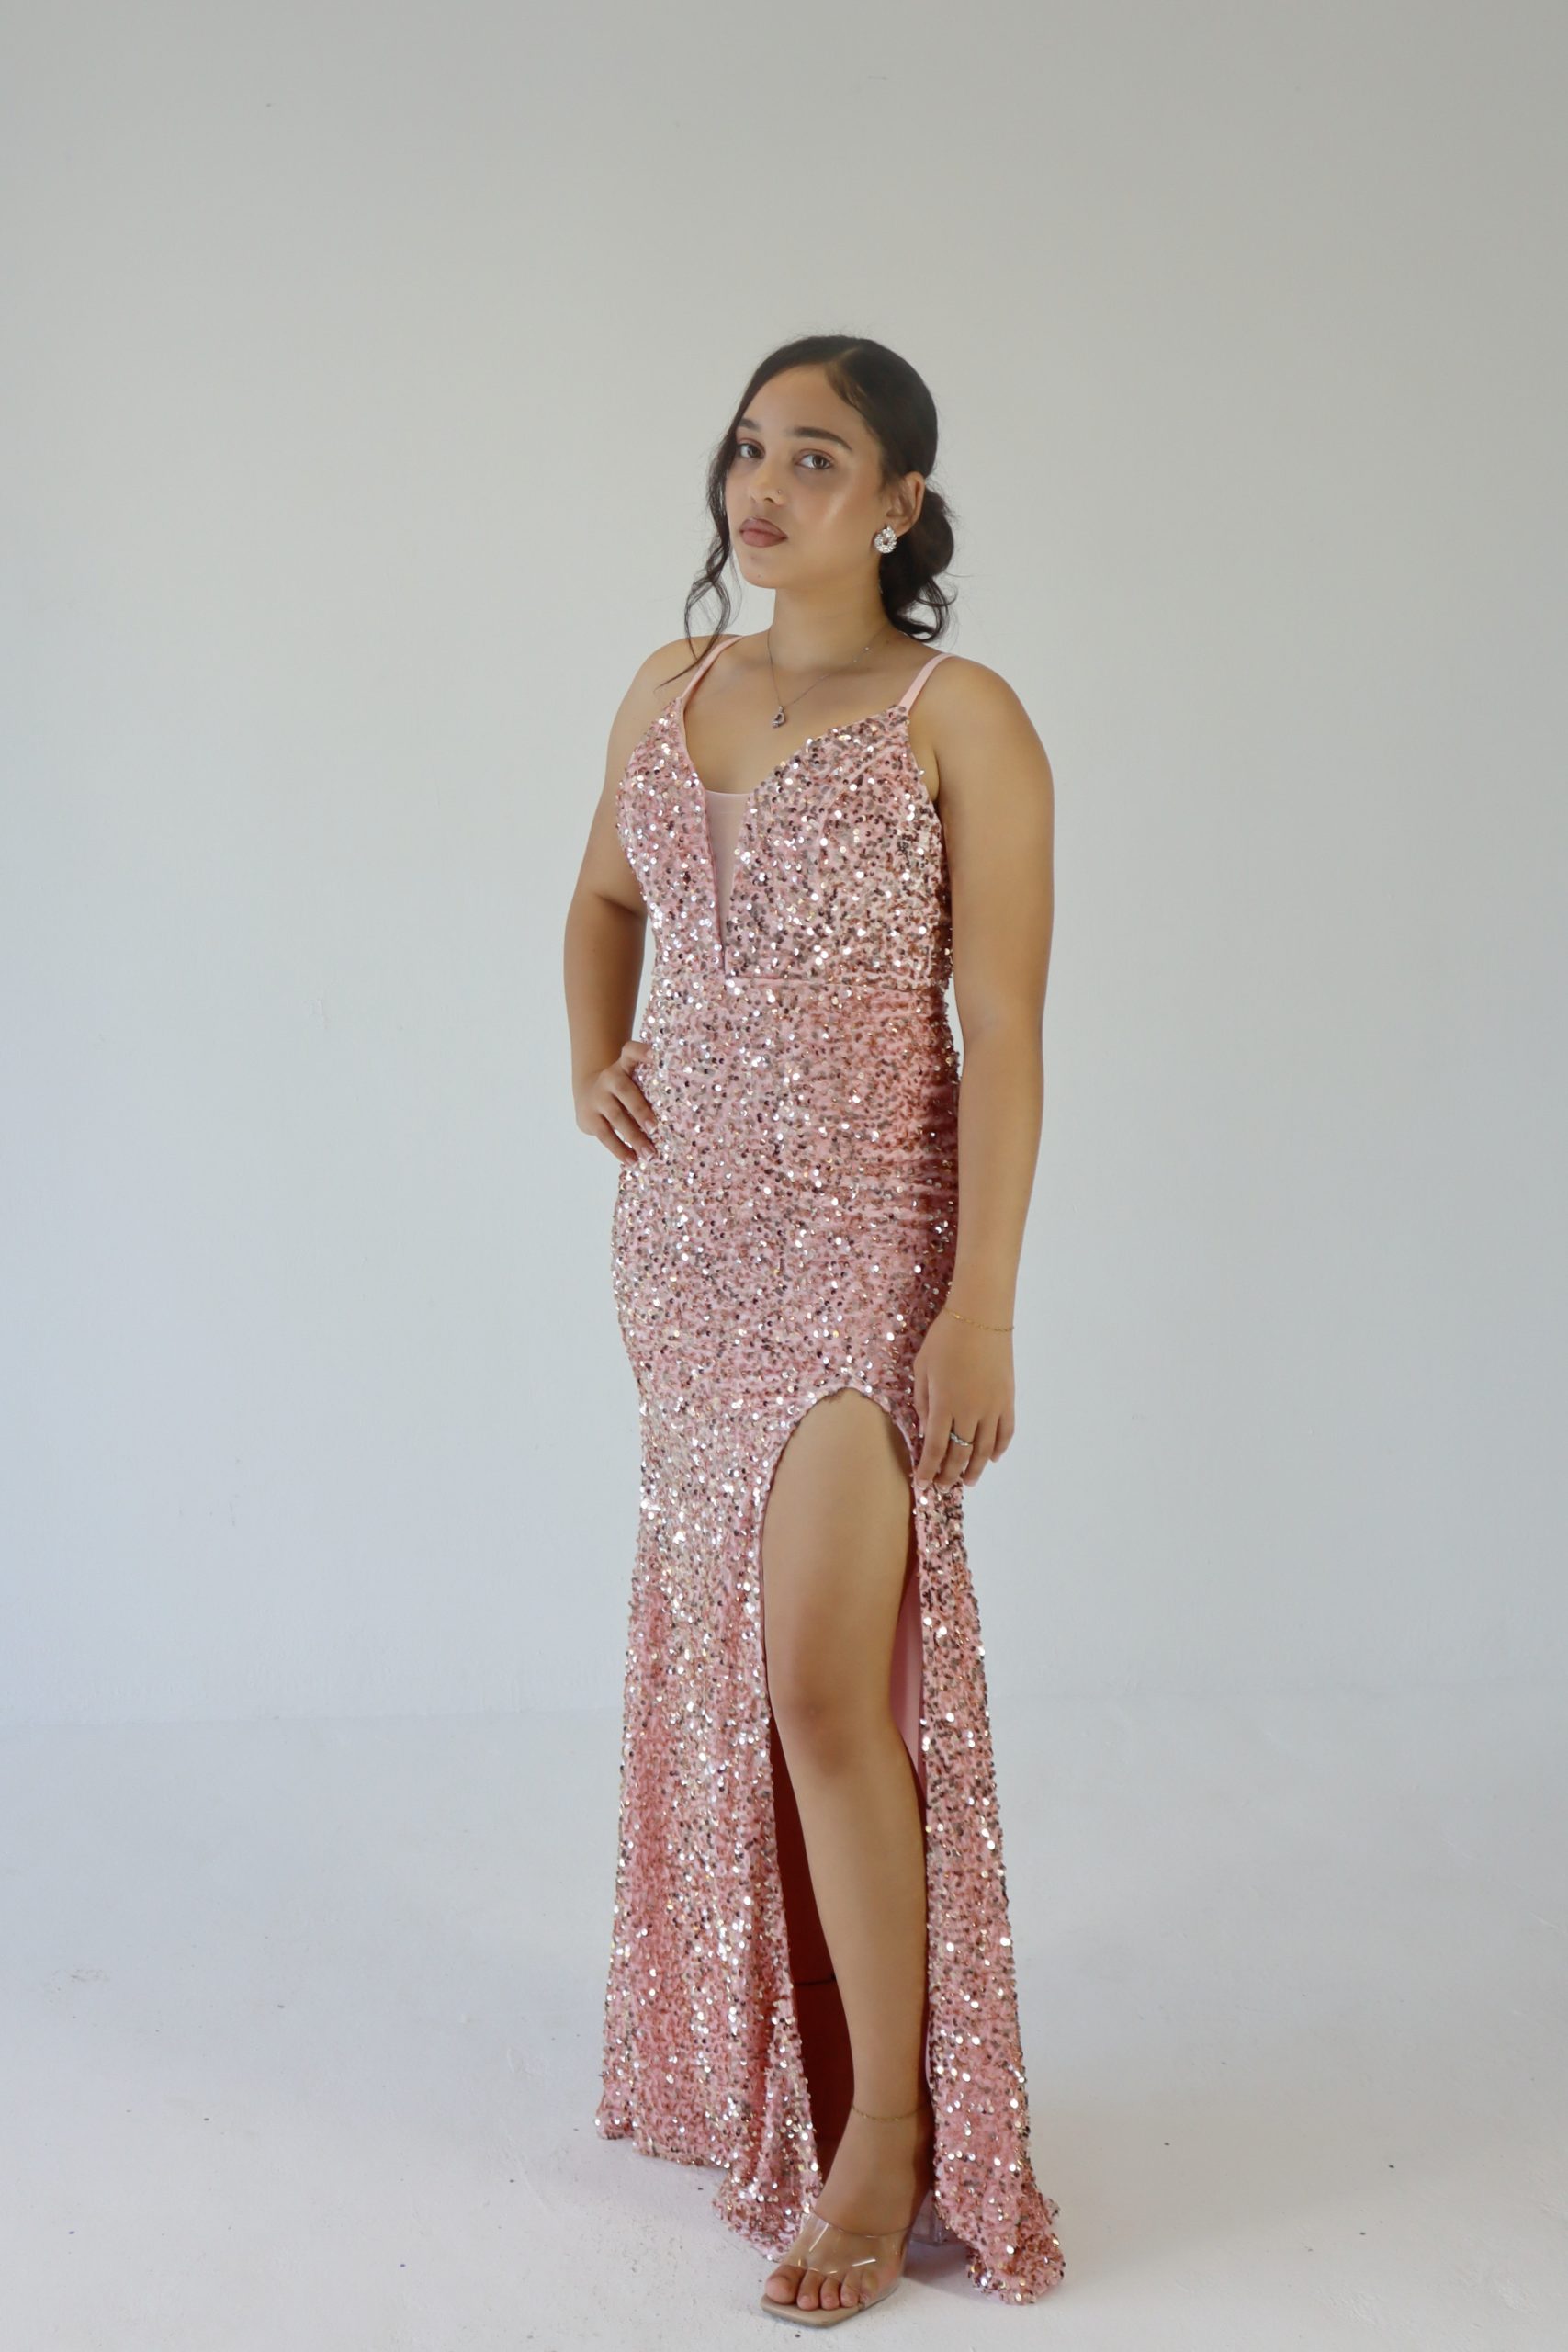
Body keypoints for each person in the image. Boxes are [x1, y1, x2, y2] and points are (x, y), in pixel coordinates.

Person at [564, 334, 1064, 2322]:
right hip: (686, 1251)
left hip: (869, 1251)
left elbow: (1003, 1029)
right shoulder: (667, 685)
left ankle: (887, 2137)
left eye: (817, 458)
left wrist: (981, 1306)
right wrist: (594, 1062)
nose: (762, 489)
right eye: (749, 449)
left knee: (827, 1687)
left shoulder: (964, 716)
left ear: (899, 503)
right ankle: (766, 2057)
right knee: (743, 1677)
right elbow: (603, 902)